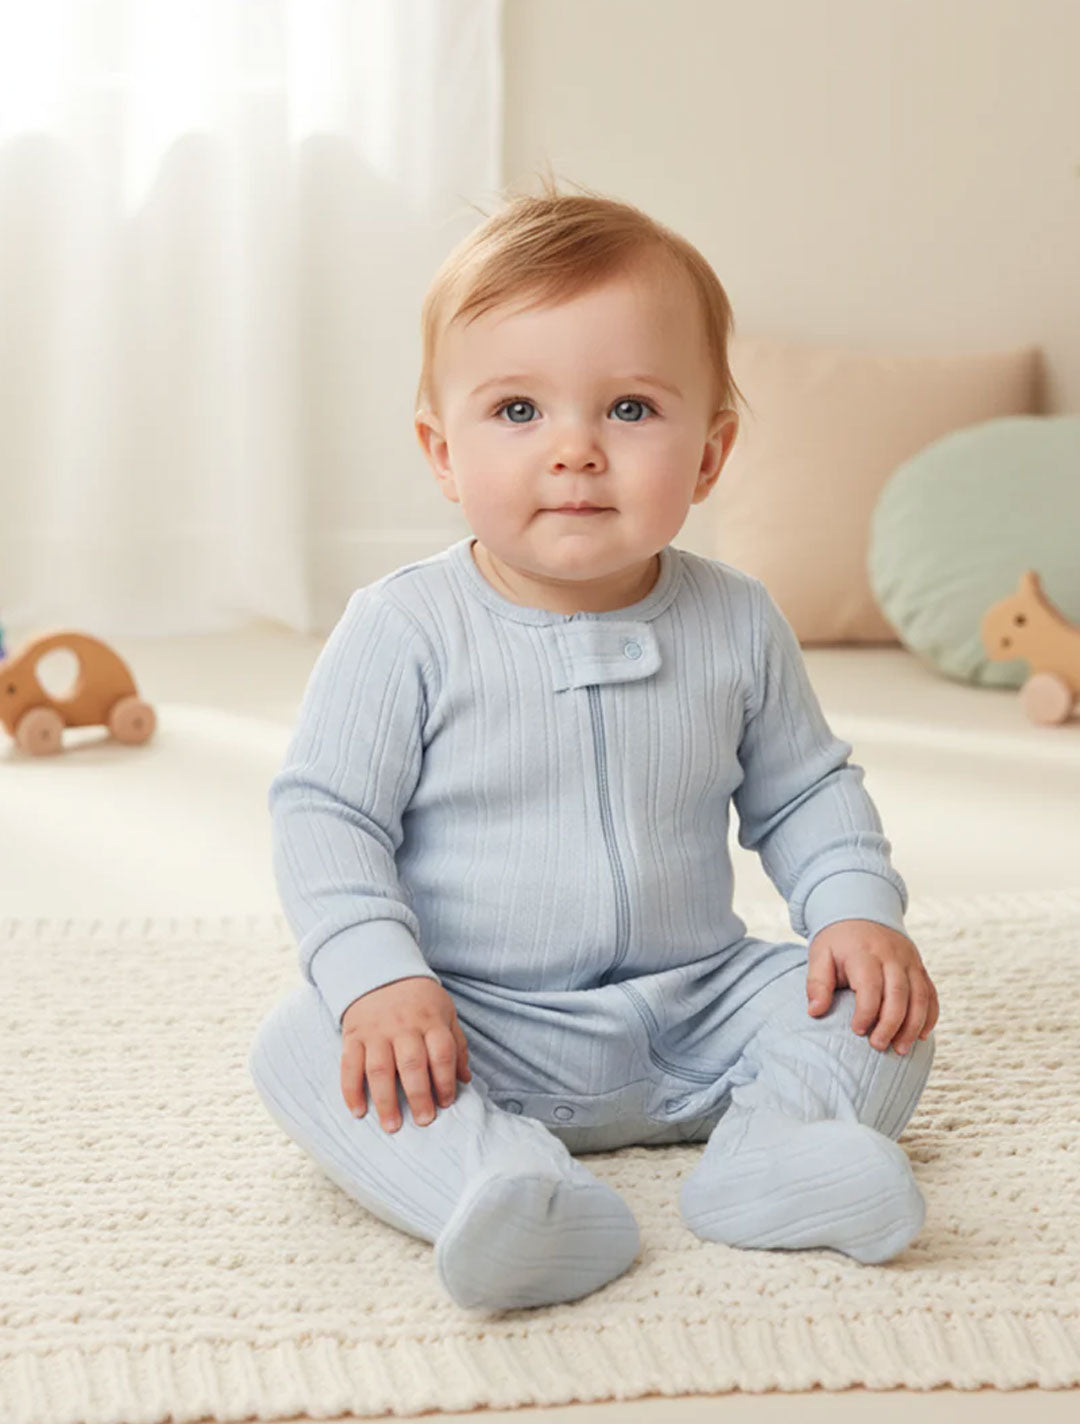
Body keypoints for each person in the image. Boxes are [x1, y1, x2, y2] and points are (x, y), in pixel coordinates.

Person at [248, 175, 940, 1313]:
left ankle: (777, 1151)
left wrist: (857, 911)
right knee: (303, 1041)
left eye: (628, 409)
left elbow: (807, 790)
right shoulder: (405, 628)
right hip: (479, 1023)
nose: (573, 450)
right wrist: (383, 980)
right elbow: (328, 816)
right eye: (518, 411)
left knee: (886, 1008)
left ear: (710, 457)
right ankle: (508, 1189)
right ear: (441, 448)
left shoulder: (736, 619)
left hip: (699, 1005)